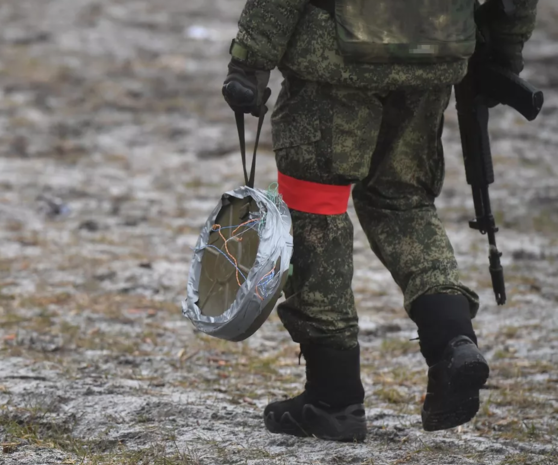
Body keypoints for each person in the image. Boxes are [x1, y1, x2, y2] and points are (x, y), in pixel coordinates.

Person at [221, 0, 539, 442]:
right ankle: (452, 342)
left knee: (317, 211)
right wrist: (503, 49)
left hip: (338, 58)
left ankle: (333, 398)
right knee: (403, 200)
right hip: (435, 49)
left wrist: (250, 62)